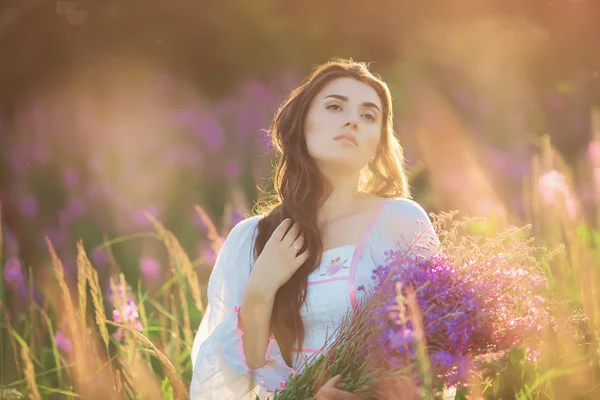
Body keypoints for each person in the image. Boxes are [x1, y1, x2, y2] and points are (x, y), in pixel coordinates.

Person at [190, 58, 450, 399]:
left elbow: (441, 356)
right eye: (335, 106)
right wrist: (259, 290)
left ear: (377, 144)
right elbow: (235, 383)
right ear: (302, 123)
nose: (352, 120)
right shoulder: (251, 239)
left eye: (368, 115)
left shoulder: (401, 222)